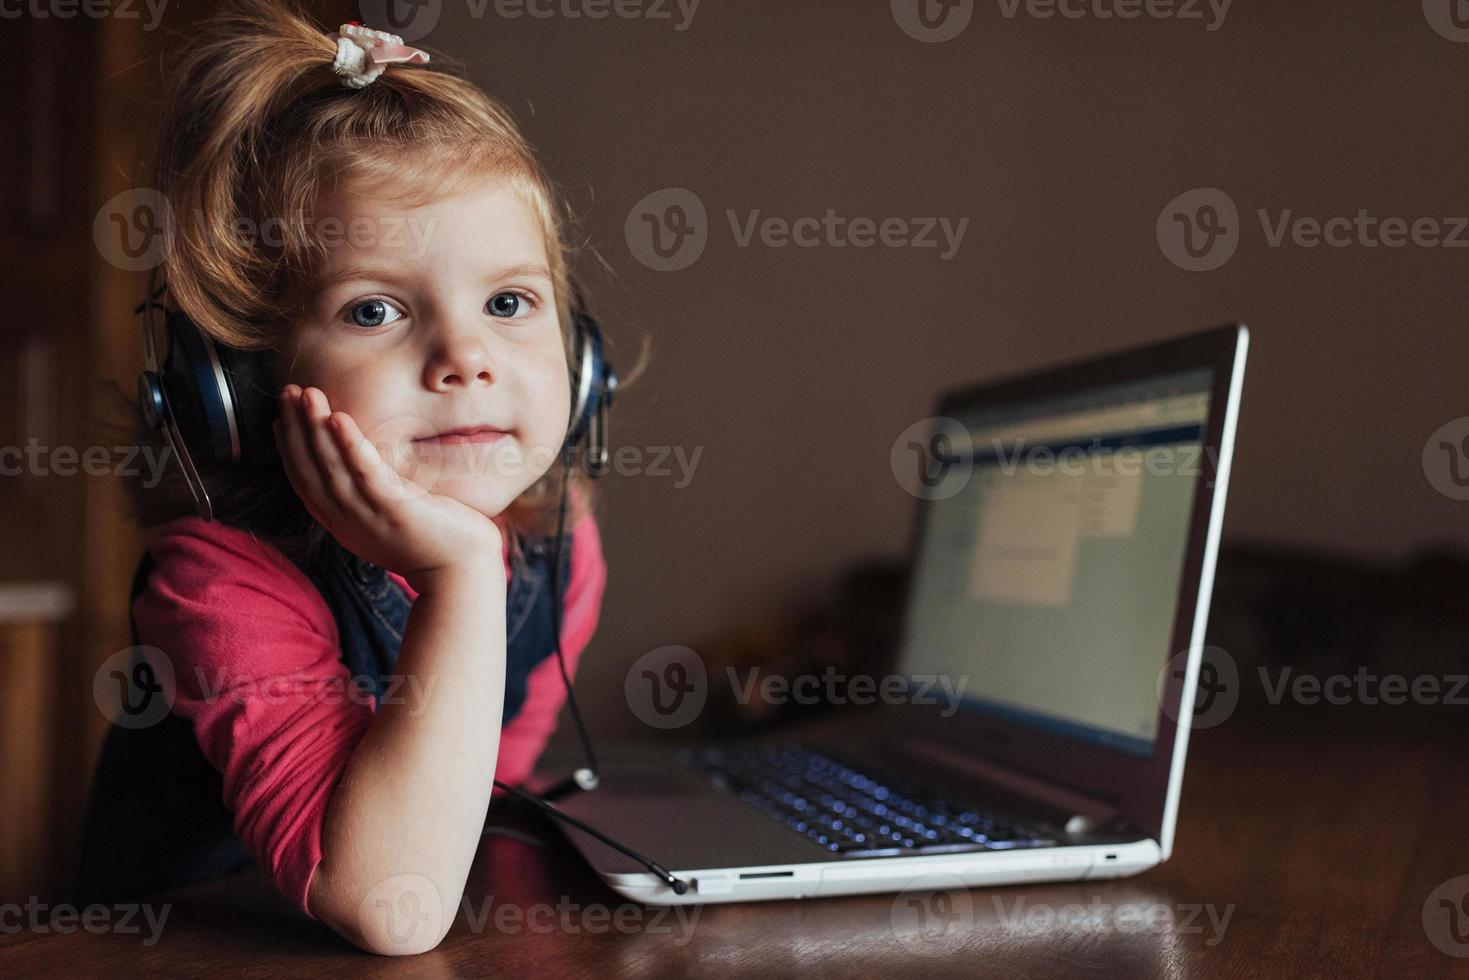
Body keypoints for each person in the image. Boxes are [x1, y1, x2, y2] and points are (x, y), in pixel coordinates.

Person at [73, 0, 632, 955]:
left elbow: (483, 798)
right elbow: (395, 904)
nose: (465, 356)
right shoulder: (218, 585)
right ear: (246, 385)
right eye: (373, 311)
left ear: (578, 359)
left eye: (508, 301)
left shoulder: (559, 548)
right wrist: (461, 575)